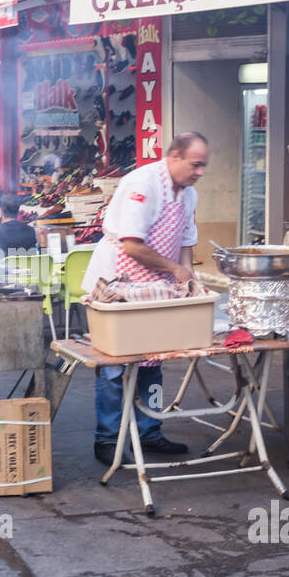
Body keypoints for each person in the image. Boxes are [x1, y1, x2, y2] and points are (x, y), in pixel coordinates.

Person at [82, 132, 209, 466]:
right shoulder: (144, 183)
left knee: (154, 361)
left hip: (156, 282)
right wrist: (173, 270)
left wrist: (187, 279)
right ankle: (107, 438)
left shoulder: (189, 194)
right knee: (115, 365)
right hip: (118, 280)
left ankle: (149, 431)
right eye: (195, 165)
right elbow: (132, 246)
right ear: (175, 156)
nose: (199, 172)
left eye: (203, 166)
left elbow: (185, 243)